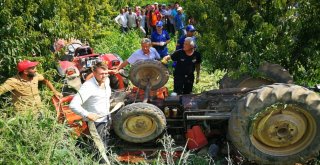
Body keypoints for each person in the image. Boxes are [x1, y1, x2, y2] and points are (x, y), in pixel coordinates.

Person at [69, 62, 112, 164]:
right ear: (93, 72)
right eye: (102, 74)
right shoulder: (88, 86)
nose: (104, 76)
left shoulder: (106, 80)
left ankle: (74, 153)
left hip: (106, 118)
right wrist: (87, 114)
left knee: (100, 141)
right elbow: (73, 105)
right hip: (95, 122)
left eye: (106, 73)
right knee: (101, 149)